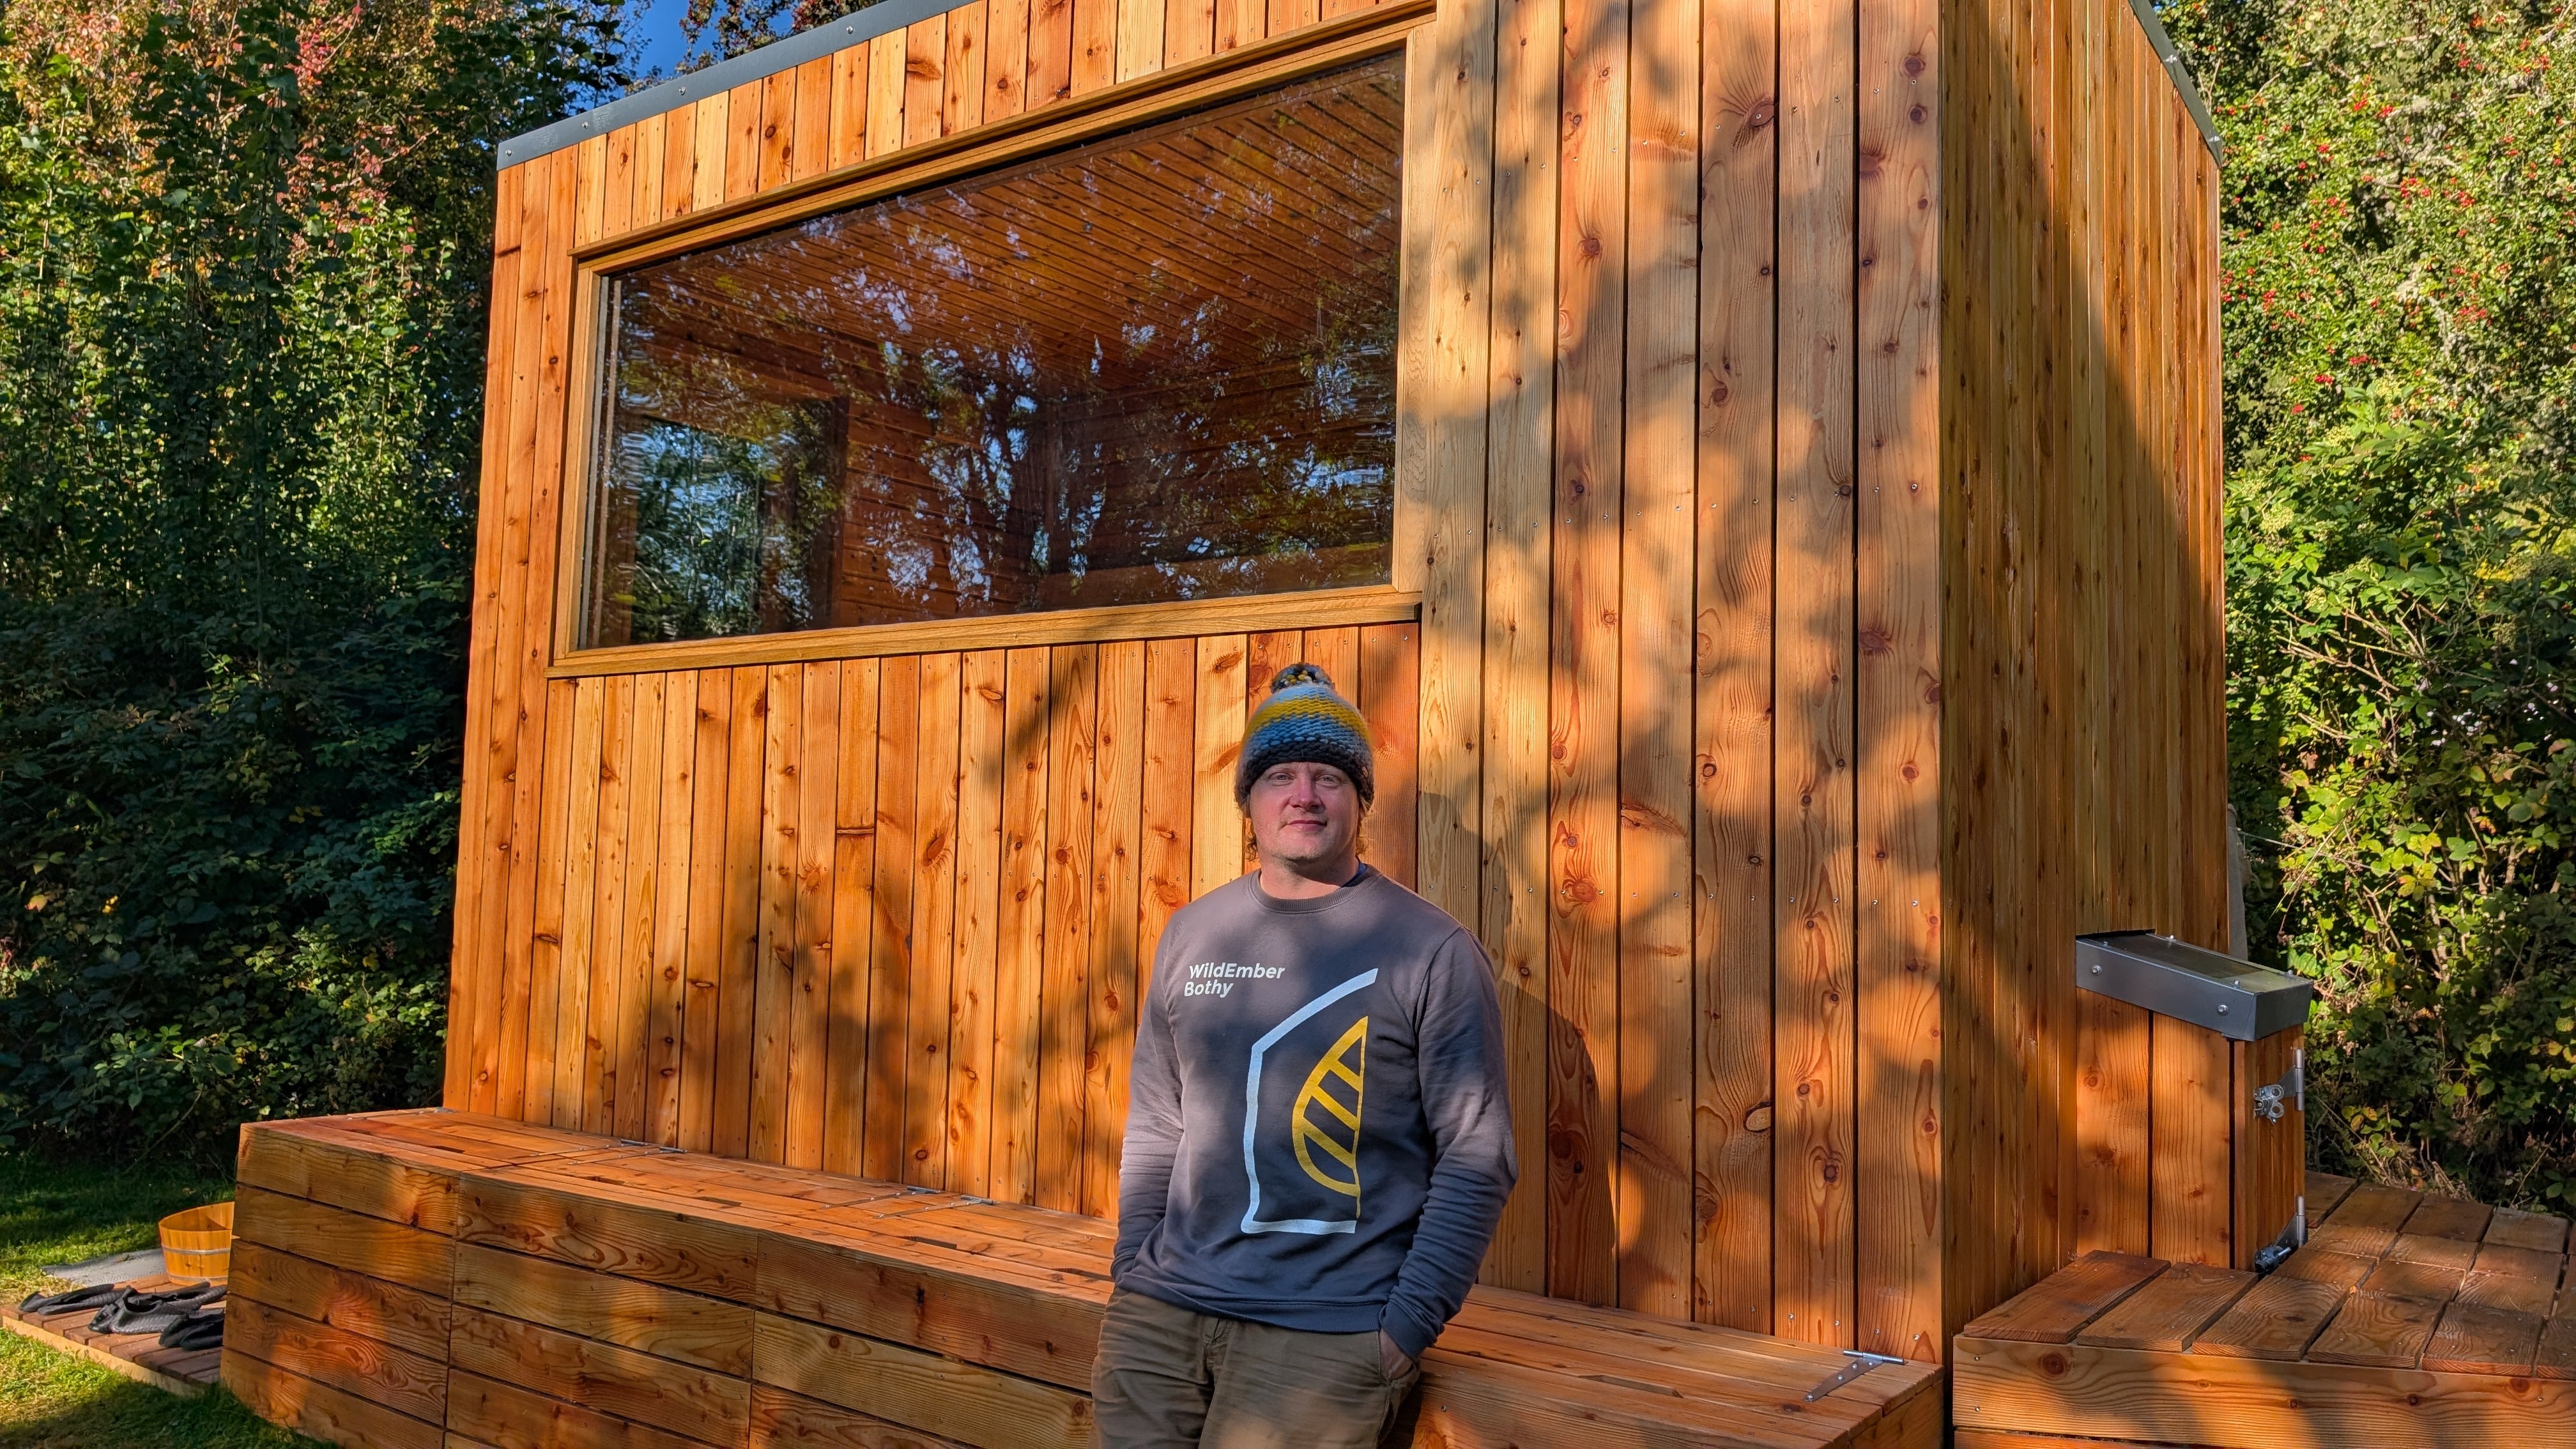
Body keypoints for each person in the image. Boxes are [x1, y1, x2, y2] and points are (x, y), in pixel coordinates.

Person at [1094, 663, 1517, 1448]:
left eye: (1329, 777)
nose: (1305, 795)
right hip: (1160, 1320)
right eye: (1280, 776)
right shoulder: (1193, 934)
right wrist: (1132, 1270)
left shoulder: (1432, 950)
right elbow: (1158, 1120)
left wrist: (1402, 1329)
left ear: (1360, 800)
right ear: (1249, 801)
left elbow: (1477, 1154)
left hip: (1324, 1338)